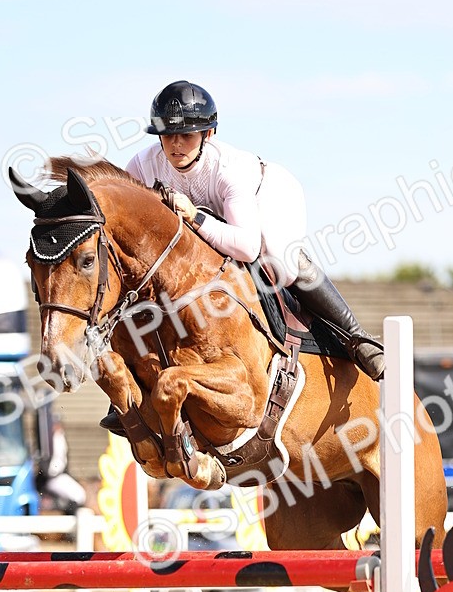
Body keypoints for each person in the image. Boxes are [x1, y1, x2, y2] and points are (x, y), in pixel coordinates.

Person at [123, 80, 384, 380]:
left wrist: (195, 217)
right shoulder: (141, 168)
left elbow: (247, 247)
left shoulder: (228, 170)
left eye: (186, 135)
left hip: (267, 197)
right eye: (167, 135)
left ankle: (359, 340)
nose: (175, 144)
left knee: (279, 258)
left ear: (208, 134)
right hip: (208, 216)